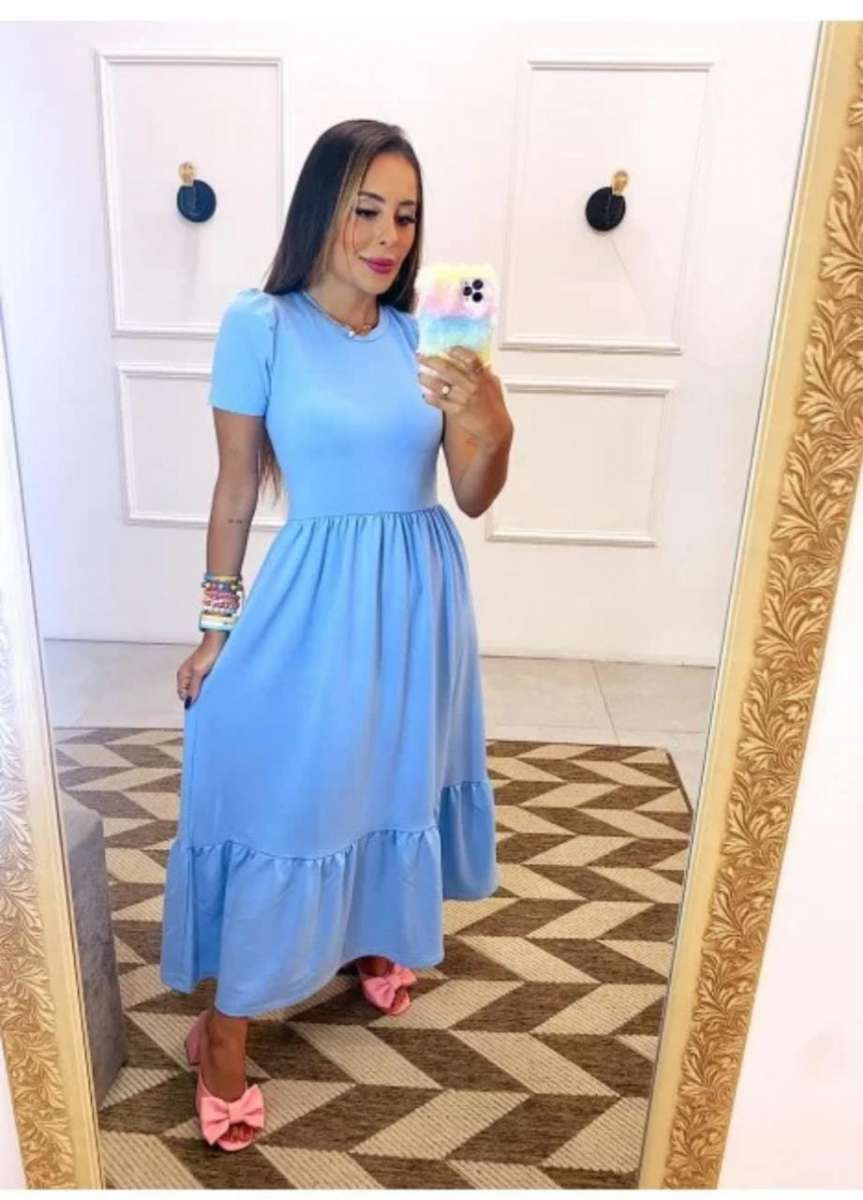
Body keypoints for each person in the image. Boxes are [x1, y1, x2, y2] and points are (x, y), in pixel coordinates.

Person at [158, 118, 514, 1152]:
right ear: (322, 207)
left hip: (421, 592)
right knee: (295, 788)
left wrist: (492, 413)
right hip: (317, 594)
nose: (388, 236)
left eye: (404, 215)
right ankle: (226, 1029)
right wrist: (213, 629)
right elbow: (235, 488)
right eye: (365, 210)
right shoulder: (259, 324)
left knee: (389, 775)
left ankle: (367, 933)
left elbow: (473, 493)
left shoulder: (430, 333)